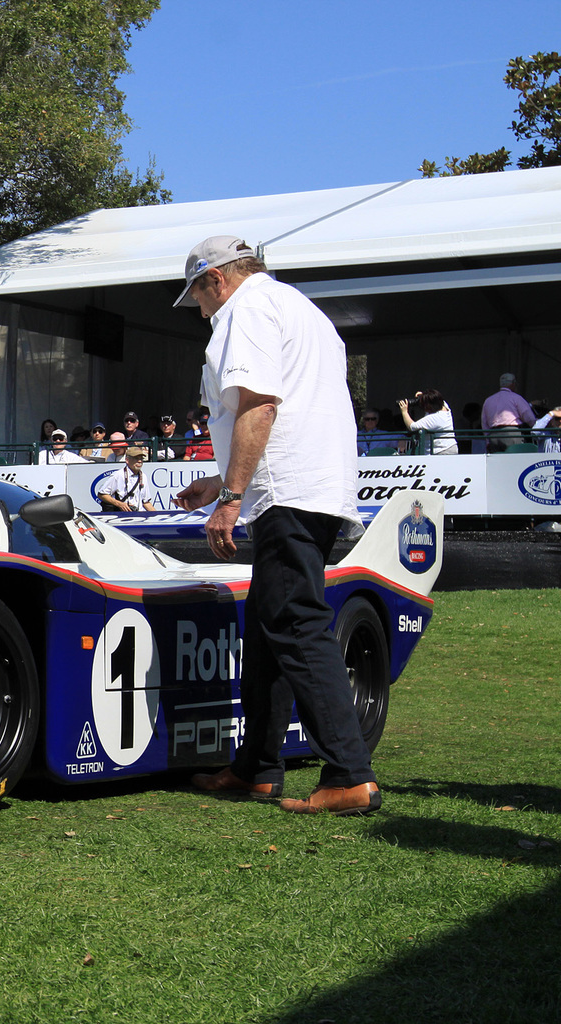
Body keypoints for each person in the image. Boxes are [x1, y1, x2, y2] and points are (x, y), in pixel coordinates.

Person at [172, 234, 379, 816]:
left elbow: (260, 405)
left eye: (198, 296)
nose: (201, 310)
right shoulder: (301, 309)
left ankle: (349, 773)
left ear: (217, 278)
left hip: (285, 491)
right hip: (310, 484)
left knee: (293, 622)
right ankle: (256, 767)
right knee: (269, 627)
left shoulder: (246, 310)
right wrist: (223, 482)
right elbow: (294, 408)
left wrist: (231, 496)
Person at [481, 372, 535, 452]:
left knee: (497, 461)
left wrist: (488, 440)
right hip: (512, 434)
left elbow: (484, 423)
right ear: (513, 383)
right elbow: (529, 418)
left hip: (493, 435)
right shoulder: (516, 398)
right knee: (513, 460)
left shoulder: (488, 400)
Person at [397, 389, 457, 455]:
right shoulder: (444, 406)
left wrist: (404, 412)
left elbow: (412, 426)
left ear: (429, 406)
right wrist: (424, 396)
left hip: (442, 451)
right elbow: (435, 399)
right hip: (448, 448)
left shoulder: (435, 418)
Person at [96, 445, 155, 510]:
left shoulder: (143, 476)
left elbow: (146, 502)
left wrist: (157, 516)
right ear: (127, 460)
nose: (140, 461)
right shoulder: (118, 475)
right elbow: (102, 494)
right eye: (136, 458)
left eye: (141, 459)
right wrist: (120, 504)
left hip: (138, 516)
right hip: (122, 516)